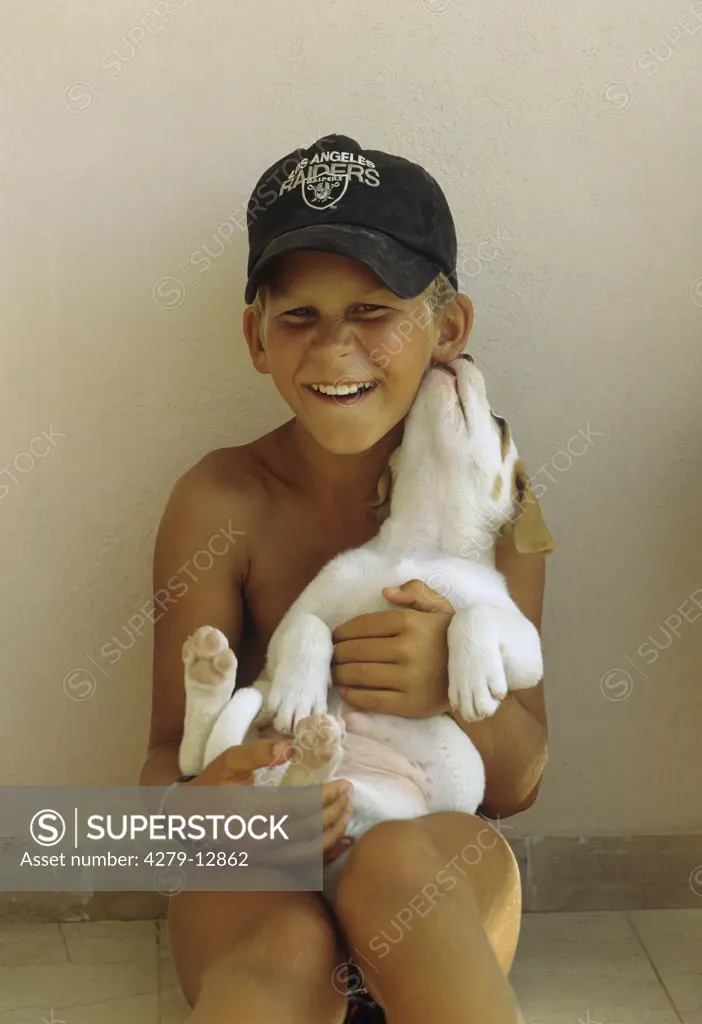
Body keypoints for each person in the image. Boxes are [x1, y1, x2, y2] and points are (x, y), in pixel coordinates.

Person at [139, 133, 554, 1024]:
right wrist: (205, 813)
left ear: (449, 327)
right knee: (286, 949)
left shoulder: (500, 484)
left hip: (426, 865)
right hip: (262, 877)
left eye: (373, 310)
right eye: (299, 317)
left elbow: (521, 782)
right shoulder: (219, 499)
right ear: (257, 337)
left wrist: (453, 678)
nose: (336, 347)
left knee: (396, 870)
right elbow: (159, 773)